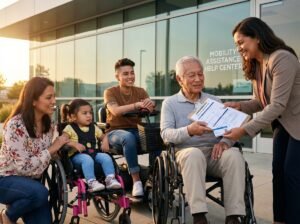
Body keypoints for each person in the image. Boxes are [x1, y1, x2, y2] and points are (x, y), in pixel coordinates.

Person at [223, 17, 300, 224]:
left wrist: (244, 130)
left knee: (292, 174)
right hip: (283, 125)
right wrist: (238, 106)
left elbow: (277, 105)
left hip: (298, 123)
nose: (239, 48)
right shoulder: (258, 65)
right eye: (236, 44)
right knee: (278, 173)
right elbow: (260, 101)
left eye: (241, 42)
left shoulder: (282, 58)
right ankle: (280, 220)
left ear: (257, 37)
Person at [161, 56, 246, 224]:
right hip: (186, 155)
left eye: (200, 74)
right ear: (180, 79)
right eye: (192, 75)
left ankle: (234, 216)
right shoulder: (169, 103)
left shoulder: (214, 100)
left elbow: (227, 132)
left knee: (234, 154)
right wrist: (189, 131)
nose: (198, 79)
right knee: (194, 154)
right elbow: (166, 135)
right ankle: (199, 215)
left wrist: (225, 143)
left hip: (214, 154)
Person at [0, 77, 69, 224]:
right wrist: (51, 149)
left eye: (54, 96)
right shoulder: (15, 126)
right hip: (6, 180)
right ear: (33, 101)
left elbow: (44, 157)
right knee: (40, 193)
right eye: (49, 97)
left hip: (32, 185)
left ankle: (20, 203)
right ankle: (9, 215)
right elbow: (24, 168)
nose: (54, 101)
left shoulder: (48, 125)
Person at [103, 58, 159, 197]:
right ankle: (137, 181)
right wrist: (136, 105)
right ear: (117, 76)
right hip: (115, 133)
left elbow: (150, 109)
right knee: (128, 137)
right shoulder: (110, 92)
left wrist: (150, 104)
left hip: (136, 131)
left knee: (155, 136)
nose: (130, 77)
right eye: (126, 74)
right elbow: (115, 111)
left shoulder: (140, 91)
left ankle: (153, 178)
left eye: (132, 73)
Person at [61, 99, 121, 192]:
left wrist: (105, 141)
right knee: (86, 159)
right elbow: (62, 140)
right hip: (76, 157)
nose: (89, 115)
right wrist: (74, 144)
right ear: (73, 116)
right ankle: (91, 182)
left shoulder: (94, 127)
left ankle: (110, 179)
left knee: (106, 157)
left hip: (93, 154)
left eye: (90, 113)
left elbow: (103, 136)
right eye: (84, 113)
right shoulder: (69, 128)